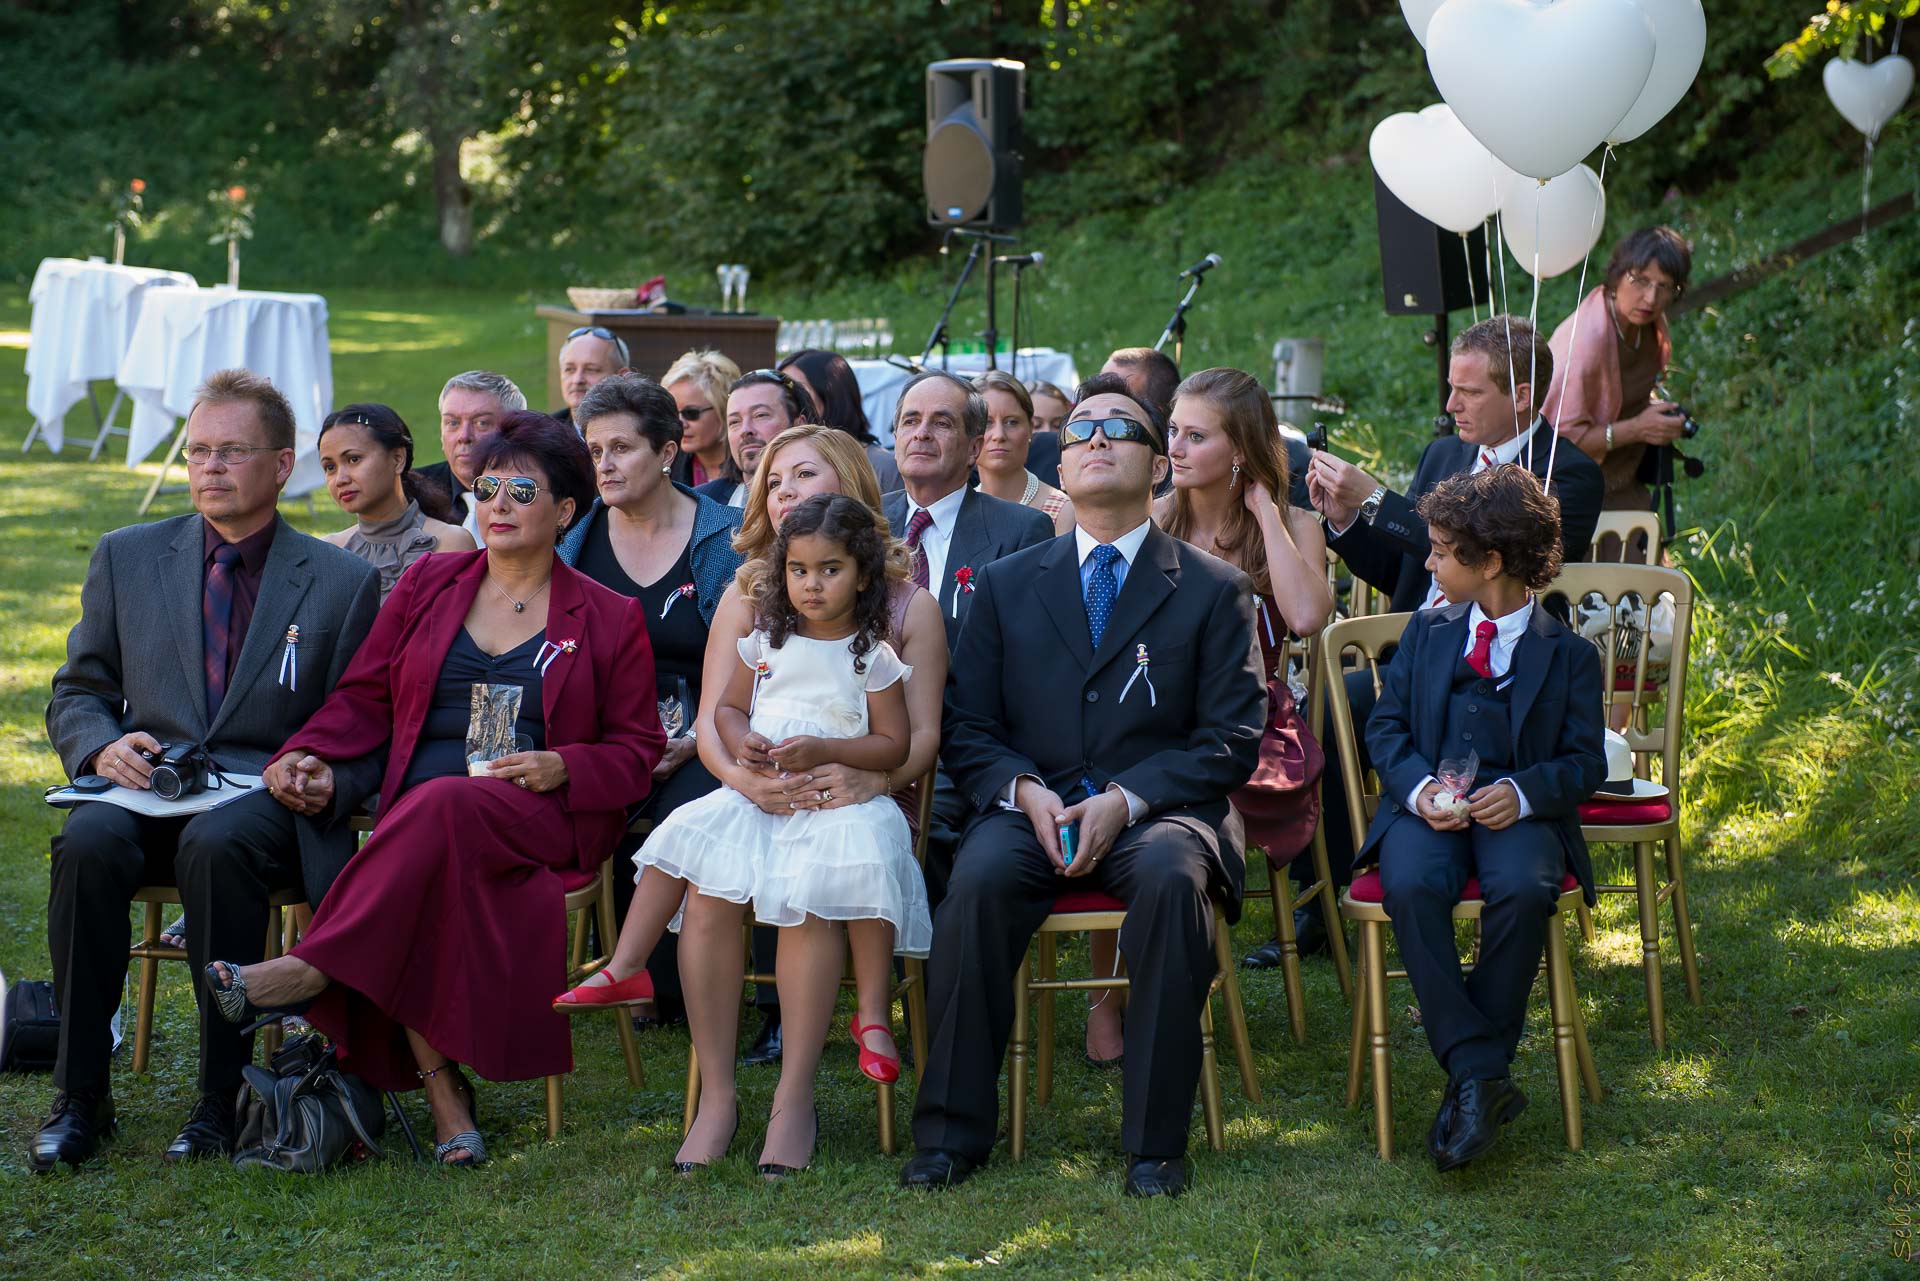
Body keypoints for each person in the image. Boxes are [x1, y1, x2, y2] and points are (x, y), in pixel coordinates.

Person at [203, 411, 665, 1167]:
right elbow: (365, 696)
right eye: (487, 487)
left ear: (567, 511)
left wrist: (566, 765)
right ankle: (447, 1099)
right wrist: (309, 749)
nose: (500, 503)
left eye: (523, 489)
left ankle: (313, 966)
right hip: (424, 820)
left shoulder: (607, 616)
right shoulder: (428, 582)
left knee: (433, 809)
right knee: (425, 842)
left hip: (540, 814)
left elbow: (639, 750)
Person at [901, 373, 1266, 1200]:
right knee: (976, 884)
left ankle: (1155, 1145)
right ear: (1060, 467)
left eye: (1121, 428)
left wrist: (1125, 800)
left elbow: (1231, 740)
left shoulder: (1213, 589)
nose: (1097, 438)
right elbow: (967, 728)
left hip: (1160, 812)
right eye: (1082, 431)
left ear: (1160, 464)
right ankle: (953, 1133)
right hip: (1032, 808)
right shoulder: (1002, 583)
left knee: (1177, 886)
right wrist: (1024, 791)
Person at [34, 369, 383, 1171]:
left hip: (263, 805)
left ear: (283, 464)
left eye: (232, 451)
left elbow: (367, 722)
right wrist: (99, 748)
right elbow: (79, 689)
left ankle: (219, 1099)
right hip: (147, 789)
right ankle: (80, 1094)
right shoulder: (127, 556)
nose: (209, 468)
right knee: (85, 844)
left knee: (216, 846)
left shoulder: (340, 581)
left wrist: (326, 774)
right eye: (197, 451)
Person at [554, 425, 948, 1074]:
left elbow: (920, 736)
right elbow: (717, 717)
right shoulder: (752, 597)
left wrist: (870, 782)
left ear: (848, 487)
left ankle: (800, 1084)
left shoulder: (907, 610)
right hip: (762, 789)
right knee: (706, 876)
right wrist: (745, 776)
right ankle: (709, 1078)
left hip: (855, 795)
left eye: (804, 476)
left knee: (816, 875)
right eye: (772, 480)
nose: (785, 490)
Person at [1359, 465, 1604, 1171]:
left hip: (1518, 815)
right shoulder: (1428, 631)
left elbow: (1585, 762)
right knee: (1410, 884)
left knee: (1526, 888)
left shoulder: (1570, 655)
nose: (1428, 561)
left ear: (1490, 560)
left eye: (1439, 550)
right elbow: (1386, 730)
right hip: (1428, 808)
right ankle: (1481, 1072)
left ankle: (1474, 1077)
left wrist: (1524, 792)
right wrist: (1419, 789)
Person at [557, 373, 745, 1027]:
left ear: (667, 453)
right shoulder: (573, 543)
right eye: (594, 449)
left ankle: (663, 981)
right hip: (603, 732)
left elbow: (759, 661)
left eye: (621, 448)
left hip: (708, 730)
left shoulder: (727, 538)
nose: (603, 464)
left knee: (689, 805)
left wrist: (697, 737)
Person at [1157, 368, 1334, 975]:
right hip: (1157, 710)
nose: (1176, 448)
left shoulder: (1291, 525)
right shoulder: (1154, 522)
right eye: (1173, 431)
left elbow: (1307, 617)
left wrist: (1263, 510)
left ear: (1241, 451)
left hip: (1249, 720)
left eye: (1197, 437)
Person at [1307, 316, 1603, 614]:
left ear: (1521, 396)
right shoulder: (1441, 454)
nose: (1451, 405)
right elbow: (1403, 574)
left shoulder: (1568, 473)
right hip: (1409, 646)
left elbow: (1487, 566)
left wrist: (1376, 500)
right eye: (1452, 388)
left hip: (1498, 652)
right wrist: (1347, 519)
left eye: (1471, 392)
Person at [882, 370, 1055, 651]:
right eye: (910, 421)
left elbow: (1028, 651)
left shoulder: (1021, 532)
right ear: (897, 437)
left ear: (974, 448)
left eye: (941, 423)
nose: (921, 433)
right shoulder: (866, 520)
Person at [1543, 225, 1694, 526]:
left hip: (1624, 483)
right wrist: (1639, 429)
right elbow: (1557, 442)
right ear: (1617, 273)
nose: (1650, 298)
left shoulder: (1647, 324)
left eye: (1664, 287)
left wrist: (1657, 416)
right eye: (1640, 281)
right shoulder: (1586, 344)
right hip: (1572, 498)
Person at [317, 402, 475, 601]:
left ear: (398, 459)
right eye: (330, 467)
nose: (340, 479)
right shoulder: (328, 551)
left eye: (354, 459)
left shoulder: (450, 543)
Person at [417, 370, 529, 544]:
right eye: (452, 423)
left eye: (482, 423)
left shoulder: (536, 493)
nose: (464, 436)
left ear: (515, 431)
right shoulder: (411, 495)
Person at [777, 347, 901, 491]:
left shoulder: (880, 466)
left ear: (832, 396)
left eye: (798, 393)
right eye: (783, 396)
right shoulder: (781, 463)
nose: (787, 404)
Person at [973, 370, 1074, 534]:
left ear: (1030, 429)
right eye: (987, 423)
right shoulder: (957, 510)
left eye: (1012, 422)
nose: (999, 435)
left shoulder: (1063, 512)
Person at [696, 368, 813, 509]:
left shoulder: (824, 497)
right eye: (734, 422)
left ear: (799, 425)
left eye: (760, 415)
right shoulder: (702, 505)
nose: (745, 430)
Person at [662, 349, 742, 489]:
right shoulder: (668, 463)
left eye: (691, 413)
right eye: (673, 413)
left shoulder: (751, 464)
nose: (680, 423)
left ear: (723, 409)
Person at [553, 325, 632, 427]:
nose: (577, 380)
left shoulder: (645, 431)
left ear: (622, 376)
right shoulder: (544, 433)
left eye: (591, 370)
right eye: (570, 369)